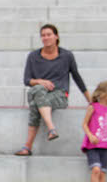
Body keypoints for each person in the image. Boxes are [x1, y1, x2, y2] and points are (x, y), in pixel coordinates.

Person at [15, 24, 90, 156]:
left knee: (34, 103)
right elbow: (27, 80)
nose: (46, 37)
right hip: (40, 93)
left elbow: (77, 77)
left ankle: (27, 147)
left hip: (60, 95)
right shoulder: (33, 56)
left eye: (49, 34)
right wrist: (40, 81)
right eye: (43, 35)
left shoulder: (67, 55)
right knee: (38, 89)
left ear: (56, 36)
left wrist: (90, 100)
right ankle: (51, 129)